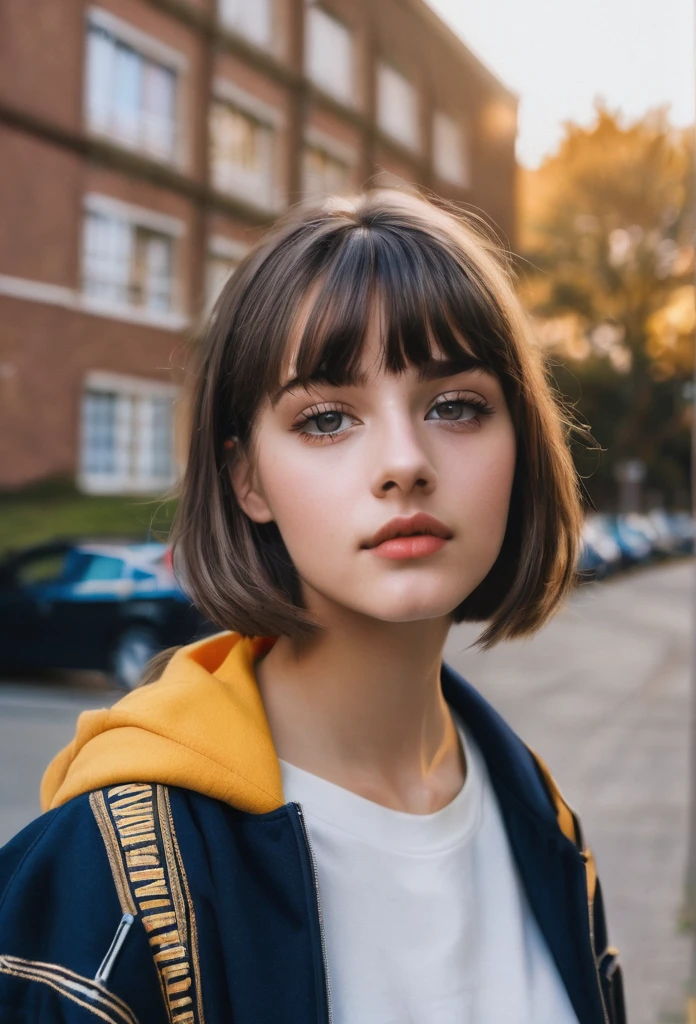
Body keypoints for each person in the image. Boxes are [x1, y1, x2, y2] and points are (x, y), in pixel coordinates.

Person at [0, 190, 625, 1024]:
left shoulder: (545, 825)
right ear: (246, 478)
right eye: (327, 418)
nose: (404, 462)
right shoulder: (103, 881)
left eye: (456, 406)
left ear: (521, 439)